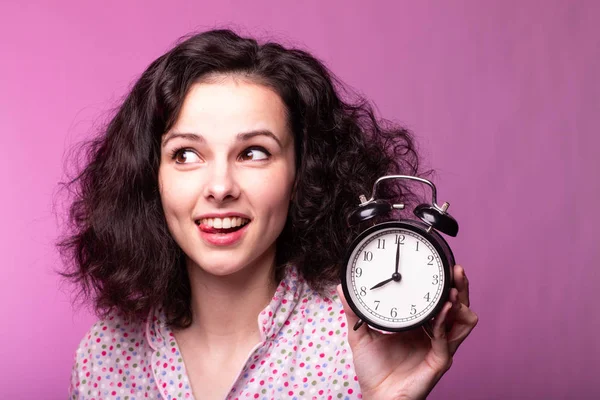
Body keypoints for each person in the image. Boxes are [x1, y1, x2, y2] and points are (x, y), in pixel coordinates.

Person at [61, 29, 478, 400]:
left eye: (253, 152)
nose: (220, 187)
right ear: (151, 176)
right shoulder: (103, 358)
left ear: (303, 173)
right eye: (186, 154)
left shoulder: (358, 350)